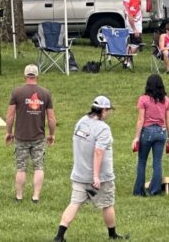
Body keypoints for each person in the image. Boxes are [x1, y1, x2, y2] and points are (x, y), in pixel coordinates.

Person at [53, 96, 129, 242]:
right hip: (100, 178)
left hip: (79, 174)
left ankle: (59, 236)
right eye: (108, 110)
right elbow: (98, 152)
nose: (109, 113)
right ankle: (112, 235)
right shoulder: (103, 128)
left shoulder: (81, 122)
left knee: (74, 203)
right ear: (103, 110)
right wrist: (95, 177)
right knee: (107, 204)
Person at [5, 64, 56, 203]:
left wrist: (8, 132)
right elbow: (51, 118)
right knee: (38, 166)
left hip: (21, 136)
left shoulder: (17, 92)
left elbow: (10, 116)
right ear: (37, 76)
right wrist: (51, 134)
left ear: (25, 76)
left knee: (21, 167)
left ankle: (19, 196)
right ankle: (35, 196)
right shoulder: (45, 93)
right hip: (38, 137)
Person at [131, 74, 169, 196]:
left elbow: (140, 119)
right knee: (157, 162)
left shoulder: (143, 99)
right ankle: (155, 190)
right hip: (161, 132)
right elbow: (168, 120)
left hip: (147, 132)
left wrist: (136, 137)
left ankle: (139, 191)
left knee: (142, 161)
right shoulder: (166, 100)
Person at [123, 0, 143, 67]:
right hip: (134, 24)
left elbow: (126, 13)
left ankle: (126, 61)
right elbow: (131, 14)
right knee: (137, 44)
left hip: (128, 23)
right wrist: (134, 29)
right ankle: (127, 61)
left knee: (130, 44)